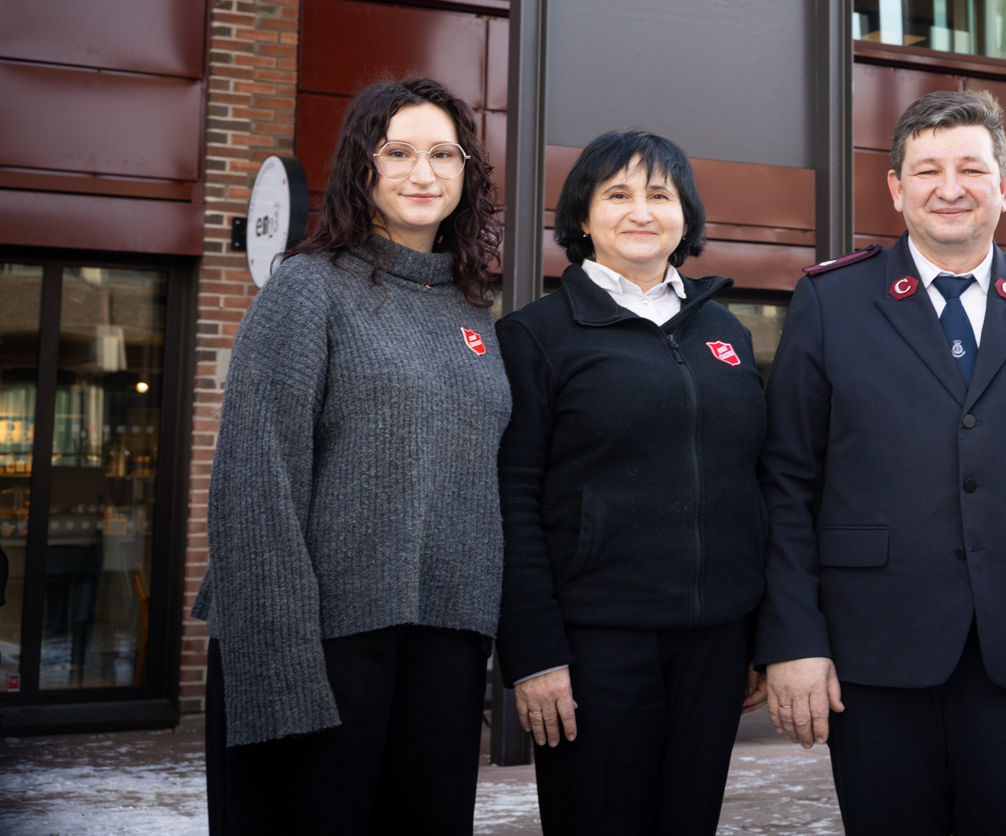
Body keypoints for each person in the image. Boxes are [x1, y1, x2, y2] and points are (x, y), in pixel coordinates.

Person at [757, 89, 1006, 836]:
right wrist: (794, 639)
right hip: (874, 648)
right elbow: (786, 481)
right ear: (896, 189)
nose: (950, 187)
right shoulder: (831, 301)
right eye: (927, 170)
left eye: (971, 167)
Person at [196, 77, 510, 834]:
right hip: (321, 646)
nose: (423, 173)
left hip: (444, 648)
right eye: (397, 151)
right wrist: (278, 671)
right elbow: (254, 482)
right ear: (359, 168)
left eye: (444, 153)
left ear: (468, 173)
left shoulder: (473, 309)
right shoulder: (308, 287)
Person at [494, 131, 769, 835]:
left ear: (685, 216)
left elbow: (755, 486)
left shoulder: (727, 335)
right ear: (583, 217)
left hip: (714, 646)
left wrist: (759, 635)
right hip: (594, 650)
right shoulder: (536, 337)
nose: (640, 211)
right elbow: (513, 502)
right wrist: (535, 654)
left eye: (659, 194)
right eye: (617, 194)